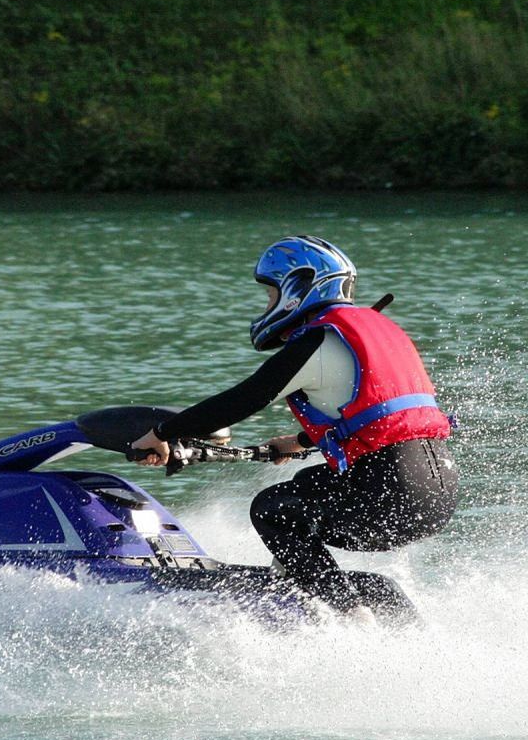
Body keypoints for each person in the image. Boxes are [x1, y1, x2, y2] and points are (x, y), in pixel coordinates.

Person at [130, 236, 458, 610]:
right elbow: (380, 418)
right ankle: (315, 586)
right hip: (437, 491)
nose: (267, 305)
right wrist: (301, 441)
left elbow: (241, 400)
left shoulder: (316, 341)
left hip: (388, 492)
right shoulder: (378, 331)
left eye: (270, 294)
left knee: (272, 509)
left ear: (297, 288)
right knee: (305, 489)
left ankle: (345, 613)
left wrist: (160, 434)